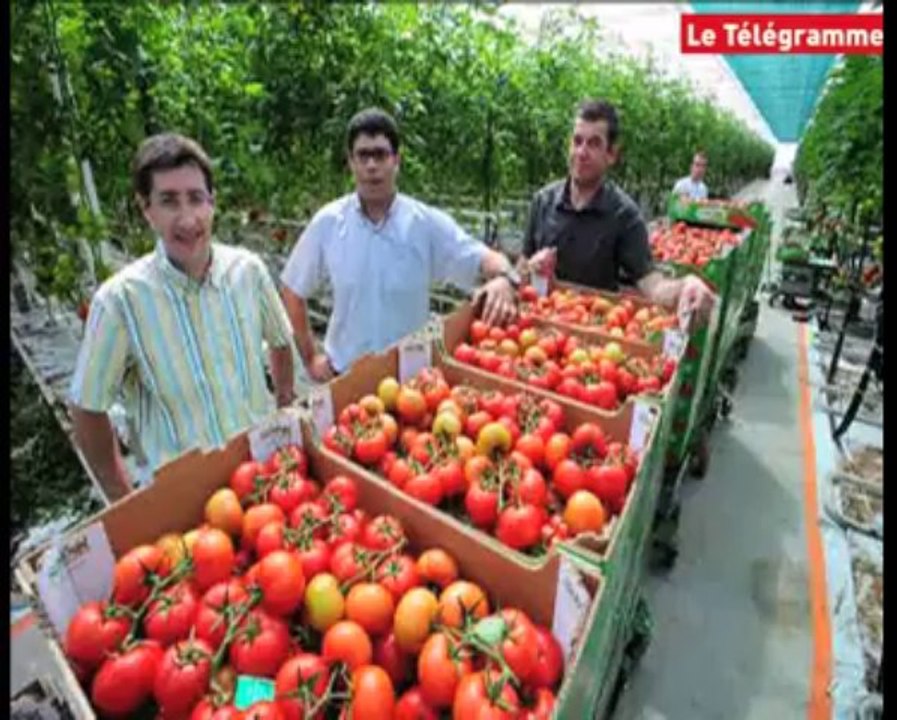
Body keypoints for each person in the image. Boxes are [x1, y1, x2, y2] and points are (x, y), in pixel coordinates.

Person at [69, 133, 296, 501]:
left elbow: (282, 340)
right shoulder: (119, 302)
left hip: (262, 476)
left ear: (212, 203)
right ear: (147, 209)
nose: (188, 218)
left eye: (196, 198)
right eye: (169, 201)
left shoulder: (247, 272)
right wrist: (125, 501)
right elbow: (86, 407)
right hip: (185, 500)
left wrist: (285, 407)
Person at [280, 108, 520, 382]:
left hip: (410, 383)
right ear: (351, 162)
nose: (372, 165)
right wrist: (311, 359)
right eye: (363, 155)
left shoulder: (424, 224)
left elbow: (482, 257)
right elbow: (292, 289)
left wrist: (504, 278)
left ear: (396, 160)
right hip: (345, 376)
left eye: (381, 155)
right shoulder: (329, 223)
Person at [519, 99, 715, 324]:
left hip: (591, 334)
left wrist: (684, 286)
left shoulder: (624, 215)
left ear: (611, 154)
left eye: (594, 144)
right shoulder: (543, 202)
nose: (582, 152)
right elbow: (521, 266)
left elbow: (651, 283)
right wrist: (530, 268)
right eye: (577, 141)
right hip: (537, 325)